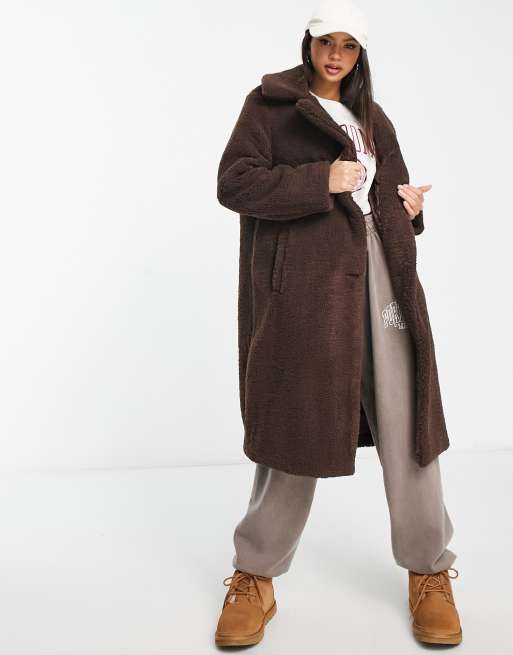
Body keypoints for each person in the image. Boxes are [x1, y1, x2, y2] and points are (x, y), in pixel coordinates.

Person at [214, 0, 462, 647]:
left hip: (382, 279)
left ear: (360, 54)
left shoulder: (373, 118)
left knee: (407, 421)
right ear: (309, 41)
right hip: (306, 290)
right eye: (328, 42)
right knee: (295, 422)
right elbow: (234, 183)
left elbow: (387, 198)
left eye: (349, 46)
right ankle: (254, 575)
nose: (336, 56)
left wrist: (408, 208)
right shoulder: (268, 107)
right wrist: (319, 178)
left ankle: (429, 570)